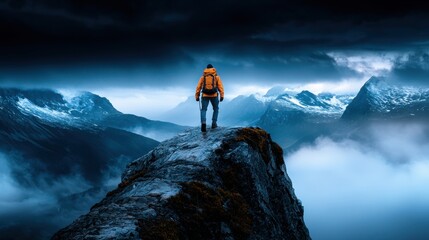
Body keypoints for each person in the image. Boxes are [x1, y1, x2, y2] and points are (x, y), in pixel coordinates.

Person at [195, 64, 224, 132]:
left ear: (206, 69)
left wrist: (197, 96)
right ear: (213, 68)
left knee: (203, 109)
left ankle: (203, 123)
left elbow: (198, 87)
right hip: (214, 95)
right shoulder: (216, 77)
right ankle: (214, 124)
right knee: (216, 109)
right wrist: (222, 95)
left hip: (205, 95)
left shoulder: (203, 77)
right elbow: (220, 87)